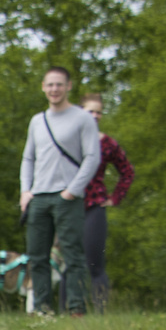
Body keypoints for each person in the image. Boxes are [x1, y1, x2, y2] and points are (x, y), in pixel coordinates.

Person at [20, 66, 100, 316]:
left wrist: (72, 190)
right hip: (39, 198)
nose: (54, 89)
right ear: (43, 87)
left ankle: (76, 308)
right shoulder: (37, 121)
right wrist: (26, 191)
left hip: (67, 197)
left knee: (72, 253)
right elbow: (28, 158)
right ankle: (42, 310)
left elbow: (92, 157)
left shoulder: (82, 118)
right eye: (50, 85)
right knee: (37, 256)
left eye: (59, 84)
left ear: (68, 86)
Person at [78, 92, 133, 310]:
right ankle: (68, 313)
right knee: (69, 264)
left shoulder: (107, 143)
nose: (95, 115)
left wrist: (115, 198)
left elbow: (127, 171)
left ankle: (101, 313)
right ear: (80, 113)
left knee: (95, 264)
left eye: (99, 112)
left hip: (94, 206)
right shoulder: (70, 140)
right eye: (90, 111)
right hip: (69, 206)